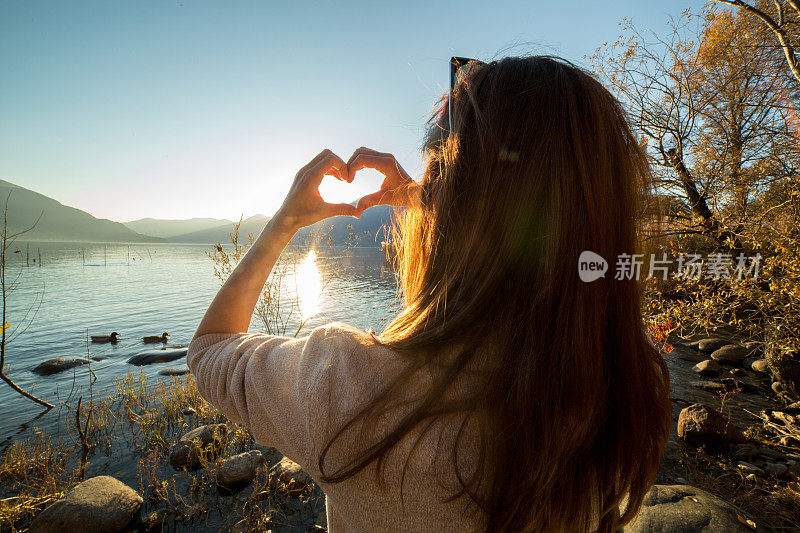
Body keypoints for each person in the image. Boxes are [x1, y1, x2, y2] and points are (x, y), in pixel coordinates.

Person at [188, 56, 672, 532]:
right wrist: (439, 195)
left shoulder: (347, 386)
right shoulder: (624, 383)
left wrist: (285, 221)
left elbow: (210, 350)